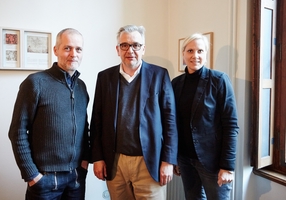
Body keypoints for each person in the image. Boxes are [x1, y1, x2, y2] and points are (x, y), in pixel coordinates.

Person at [90, 25, 178, 200]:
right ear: (117, 49)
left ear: (143, 49)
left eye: (136, 45)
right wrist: (98, 157)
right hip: (115, 161)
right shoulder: (104, 77)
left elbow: (170, 121)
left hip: (149, 161)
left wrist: (168, 161)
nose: (130, 50)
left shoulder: (159, 75)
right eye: (124, 45)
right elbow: (97, 120)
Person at [8, 28, 90, 200]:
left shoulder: (81, 87)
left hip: (76, 178)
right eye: (67, 48)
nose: (73, 54)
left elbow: (84, 127)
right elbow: (17, 132)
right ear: (56, 50)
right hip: (44, 179)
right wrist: (32, 175)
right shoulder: (35, 83)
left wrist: (84, 162)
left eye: (78, 49)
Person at [171, 33, 239, 200]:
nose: (195, 56)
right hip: (186, 160)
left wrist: (227, 167)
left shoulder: (219, 80)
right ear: (183, 54)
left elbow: (231, 125)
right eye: (190, 51)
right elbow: (173, 123)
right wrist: (175, 158)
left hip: (213, 163)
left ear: (206, 54)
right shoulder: (176, 83)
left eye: (200, 51)